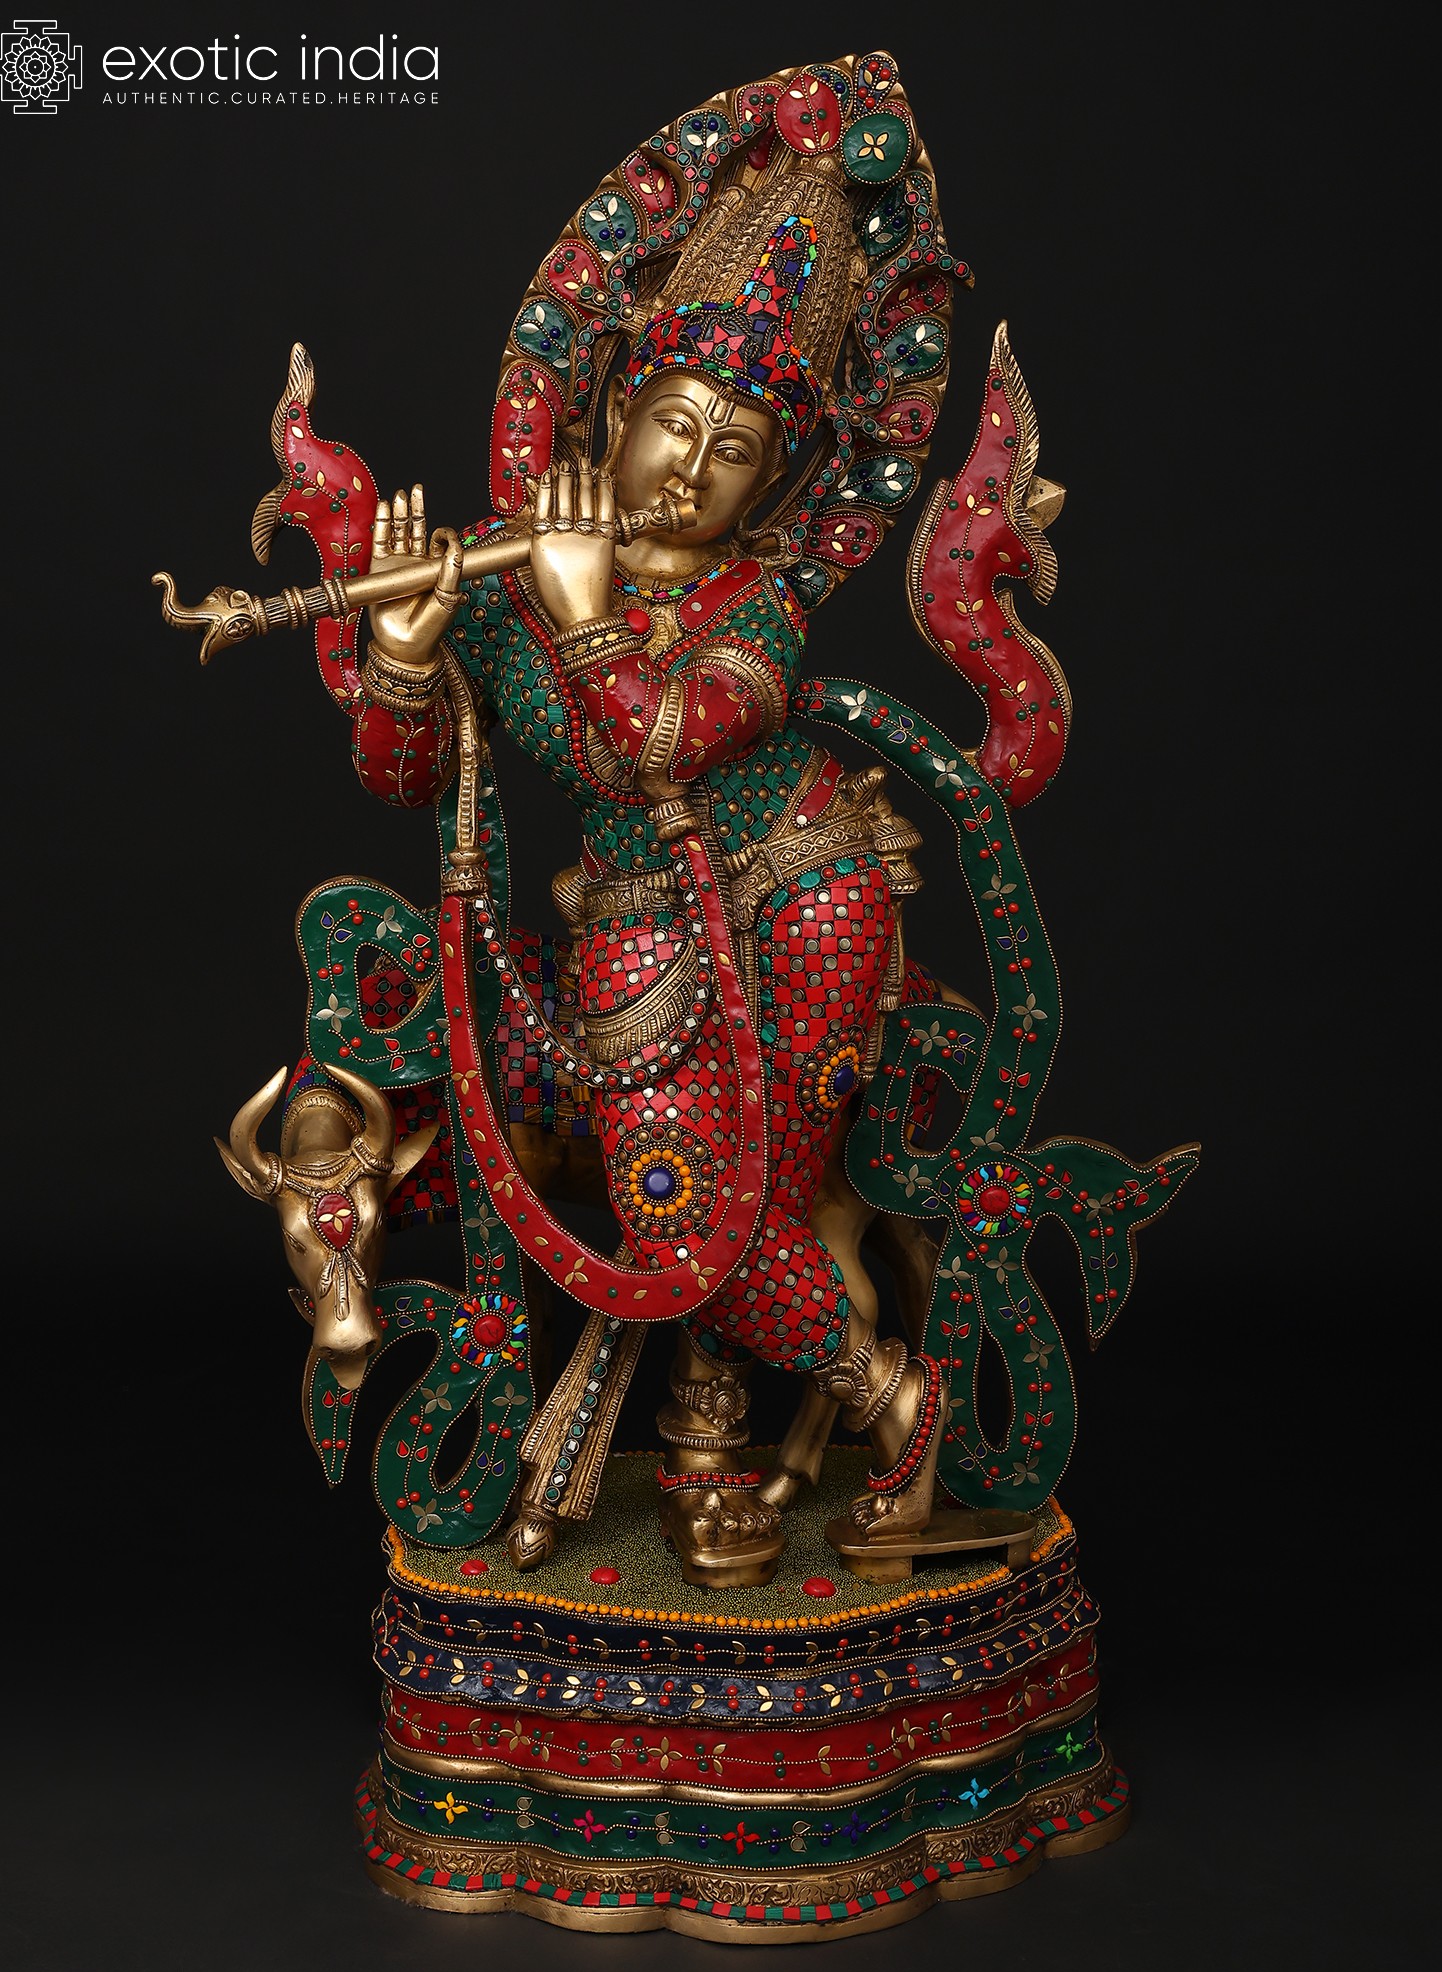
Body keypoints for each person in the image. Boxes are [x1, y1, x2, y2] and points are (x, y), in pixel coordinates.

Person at [344, 103, 954, 1586]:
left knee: (736, 1209)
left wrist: (589, 611)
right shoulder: (509, 582)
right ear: (615, 408)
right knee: (671, 1198)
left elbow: (663, 744)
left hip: (804, 896)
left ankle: (740, 1450)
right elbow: (406, 778)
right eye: (674, 422)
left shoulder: (756, 604)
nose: (691, 470)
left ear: (775, 482)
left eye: (736, 451)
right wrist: (406, 654)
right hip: (633, 917)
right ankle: (872, 1404)